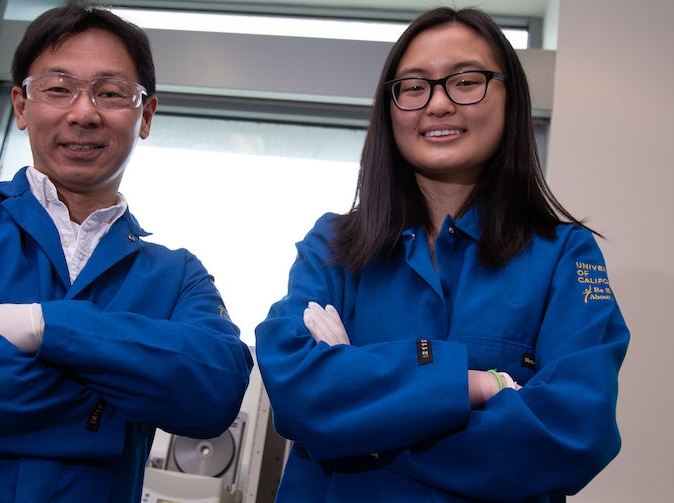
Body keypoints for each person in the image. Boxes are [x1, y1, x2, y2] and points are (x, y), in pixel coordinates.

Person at [0, 4, 252, 502]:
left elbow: (215, 391)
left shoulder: (178, 276)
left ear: (145, 115)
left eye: (111, 92)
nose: (84, 112)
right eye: (58, 89)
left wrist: (43, 326)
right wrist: (109, 411)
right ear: (20, 105)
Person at [255, 7, 629, 503]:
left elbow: (576, 431)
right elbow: (295, 391)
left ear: (510, 98)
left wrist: (362, 424)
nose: (438, 104)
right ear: (389, 108)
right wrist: (473, 385)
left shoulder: (564, 255)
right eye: (414, 87)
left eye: (466, 81)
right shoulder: (333, 245)